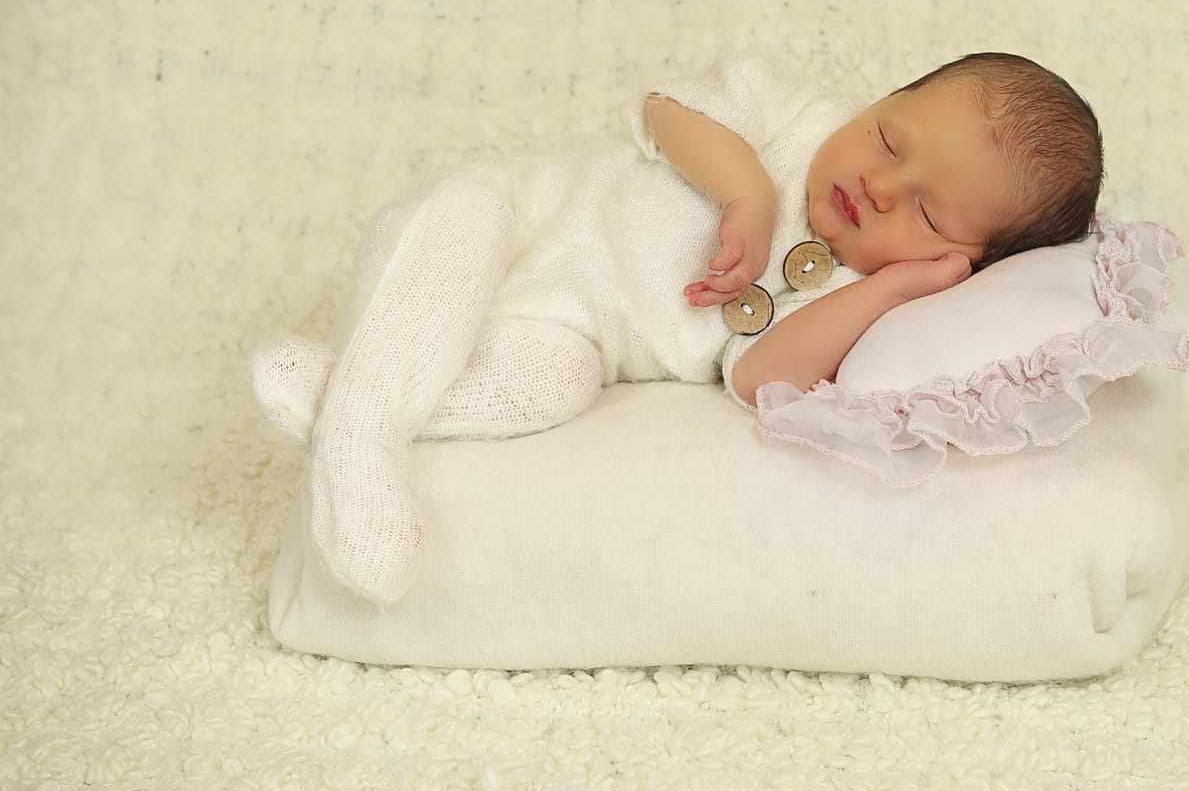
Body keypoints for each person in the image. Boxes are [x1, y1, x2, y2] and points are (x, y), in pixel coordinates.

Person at [253, 53, 1103, 602]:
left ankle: (334, 387)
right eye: (888, 138)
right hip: (506, 220)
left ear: (962, 262)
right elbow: (668, 106)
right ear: (880, 98)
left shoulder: (853, 291)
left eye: (927, 212)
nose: (882, 184)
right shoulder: (792, 116)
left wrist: (894, 286)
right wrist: (748, 191)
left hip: (566, 326)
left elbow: (758, 376)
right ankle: (358, 446)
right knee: (459, 245)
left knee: (552, 385)